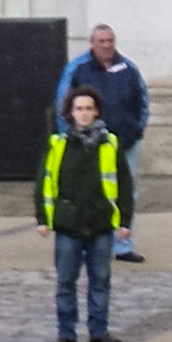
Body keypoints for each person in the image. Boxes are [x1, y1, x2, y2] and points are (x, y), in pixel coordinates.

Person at [35, 87, 134, 342]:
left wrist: (125, 220)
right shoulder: (58, 144)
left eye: (89, 108)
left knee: (100, 280)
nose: (84, 114)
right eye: (79, 109)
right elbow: (44, 181)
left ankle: (98, 333)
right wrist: (43, 218)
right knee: (66, 282)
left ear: (97, 111)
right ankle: (66, 334)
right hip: (68, 223)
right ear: (70, 112)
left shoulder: (110, 143)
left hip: (100, 222)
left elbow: (124, 183)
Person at [54, 25, 150, 261]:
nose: (106, 45)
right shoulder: (78, 69)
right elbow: (63, 105)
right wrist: (71, 138)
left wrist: (137, 130)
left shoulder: (129, 68)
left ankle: (123, 243)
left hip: (126, 142)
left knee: (127, 193)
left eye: (110, 40)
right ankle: (91, 241)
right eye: (101, 41)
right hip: (91, 144)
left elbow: (143, 101)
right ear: (92, 43)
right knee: (92, 192)